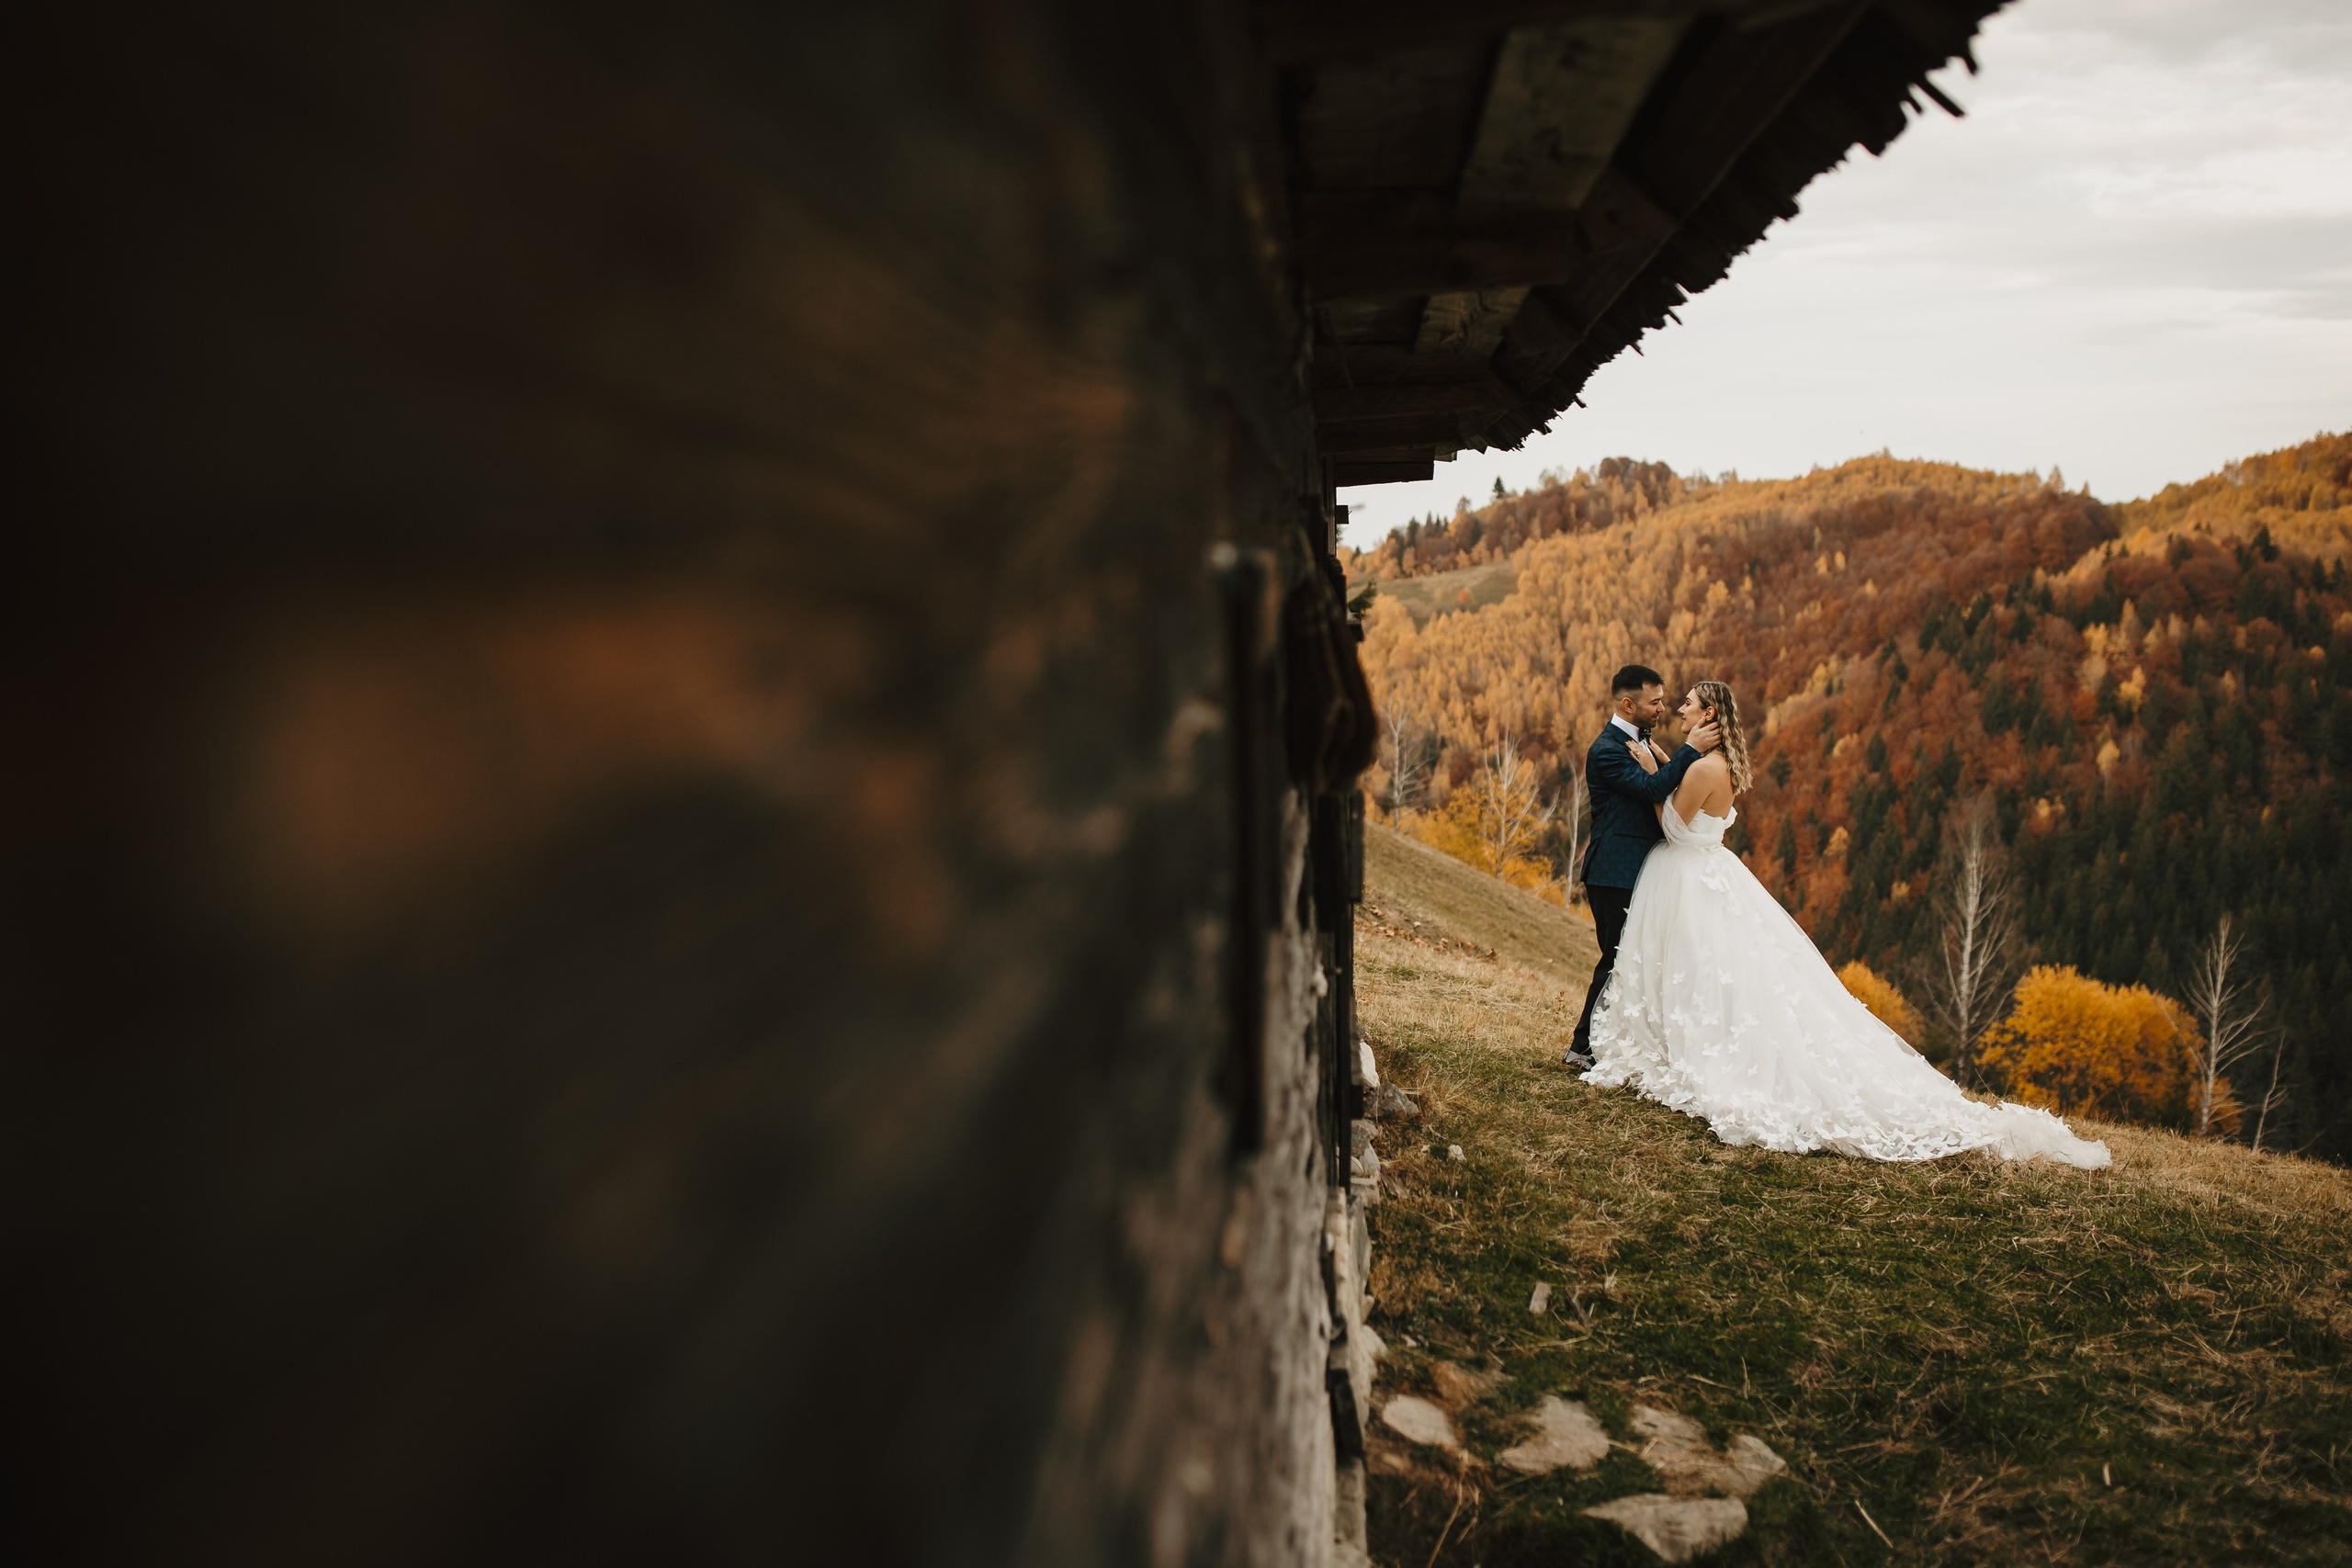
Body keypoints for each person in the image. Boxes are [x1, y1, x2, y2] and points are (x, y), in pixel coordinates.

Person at [1583, 679, 2110, 1168]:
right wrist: (1663, 759)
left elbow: (1674, 825)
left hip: (1685, 874)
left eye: (1690, 703)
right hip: (1715, 872)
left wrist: (1655, 774)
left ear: (1710, 715)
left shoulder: (1699, 768)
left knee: (1692, 968)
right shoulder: (1723, 766)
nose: (1679, 708)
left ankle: (1676, 1049)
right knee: (1717, 971)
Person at [1564, 664, 1720, 1070]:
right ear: (1628, 704)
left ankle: (1621, 1042)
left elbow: (1661, 786)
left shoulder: (1641, 741)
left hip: (1641, 871)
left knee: (1634, 959)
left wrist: (1672, 758)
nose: (1662, 708)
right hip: (1613, 872)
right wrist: (1690, 751)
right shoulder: (1608, 750)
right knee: (1616, 959)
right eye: (1654, 702)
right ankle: (1582, 1048)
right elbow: (1652, 788)